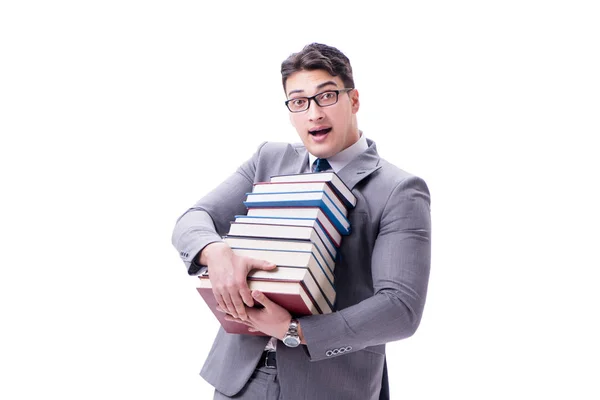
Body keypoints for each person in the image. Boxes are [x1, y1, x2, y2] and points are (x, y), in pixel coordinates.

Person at [171, 43, 431, 400]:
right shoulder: (268, 160)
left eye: (326, 96)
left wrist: (294, 330)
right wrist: (215, 251)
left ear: (353, 100)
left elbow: (401, 308)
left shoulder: (399, 189)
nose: (314, 113)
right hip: (239, 382)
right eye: (299, 101)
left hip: (331, 386)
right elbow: (192, 220)